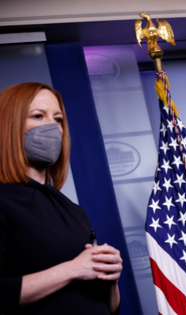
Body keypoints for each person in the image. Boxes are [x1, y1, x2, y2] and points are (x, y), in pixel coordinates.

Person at [0, 82, 123, 314]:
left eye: (58, 119)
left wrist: (110, 277)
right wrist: (73, 269)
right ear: (8, 126)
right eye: (38, 116)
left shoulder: (74, 210)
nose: (53, 127)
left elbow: (110, 307)